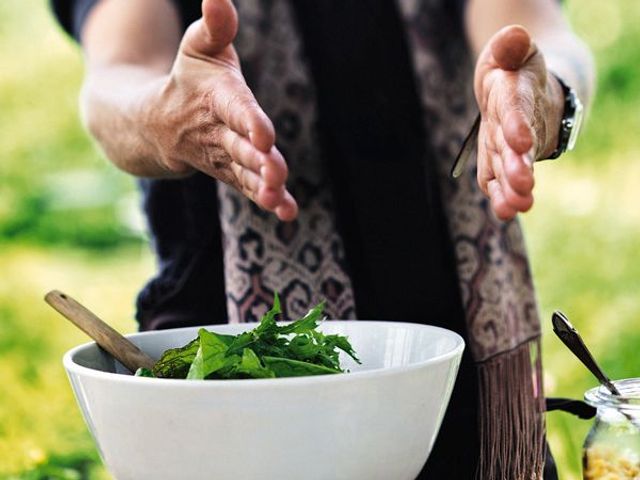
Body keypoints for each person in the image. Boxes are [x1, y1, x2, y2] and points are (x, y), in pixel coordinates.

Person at [51, 0, 594, 478]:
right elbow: (119, 75)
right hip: (221, 379)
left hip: (452, 378)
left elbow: (536, 34)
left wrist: (544, 96)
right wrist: (164, 114)